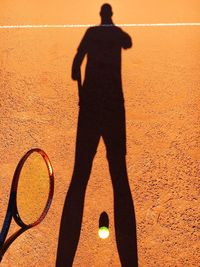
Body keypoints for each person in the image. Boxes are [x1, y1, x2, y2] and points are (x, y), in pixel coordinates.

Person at [56, 4, 138, 266]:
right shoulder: (115, 33)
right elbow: (129, 42)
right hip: (113, 108)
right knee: (119, 177)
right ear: (109, 16)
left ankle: (62, 262)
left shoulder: (91, 33)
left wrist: (80, 88)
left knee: (80, 175)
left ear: (100, 16)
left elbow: (75, 65)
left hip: (90, 108)